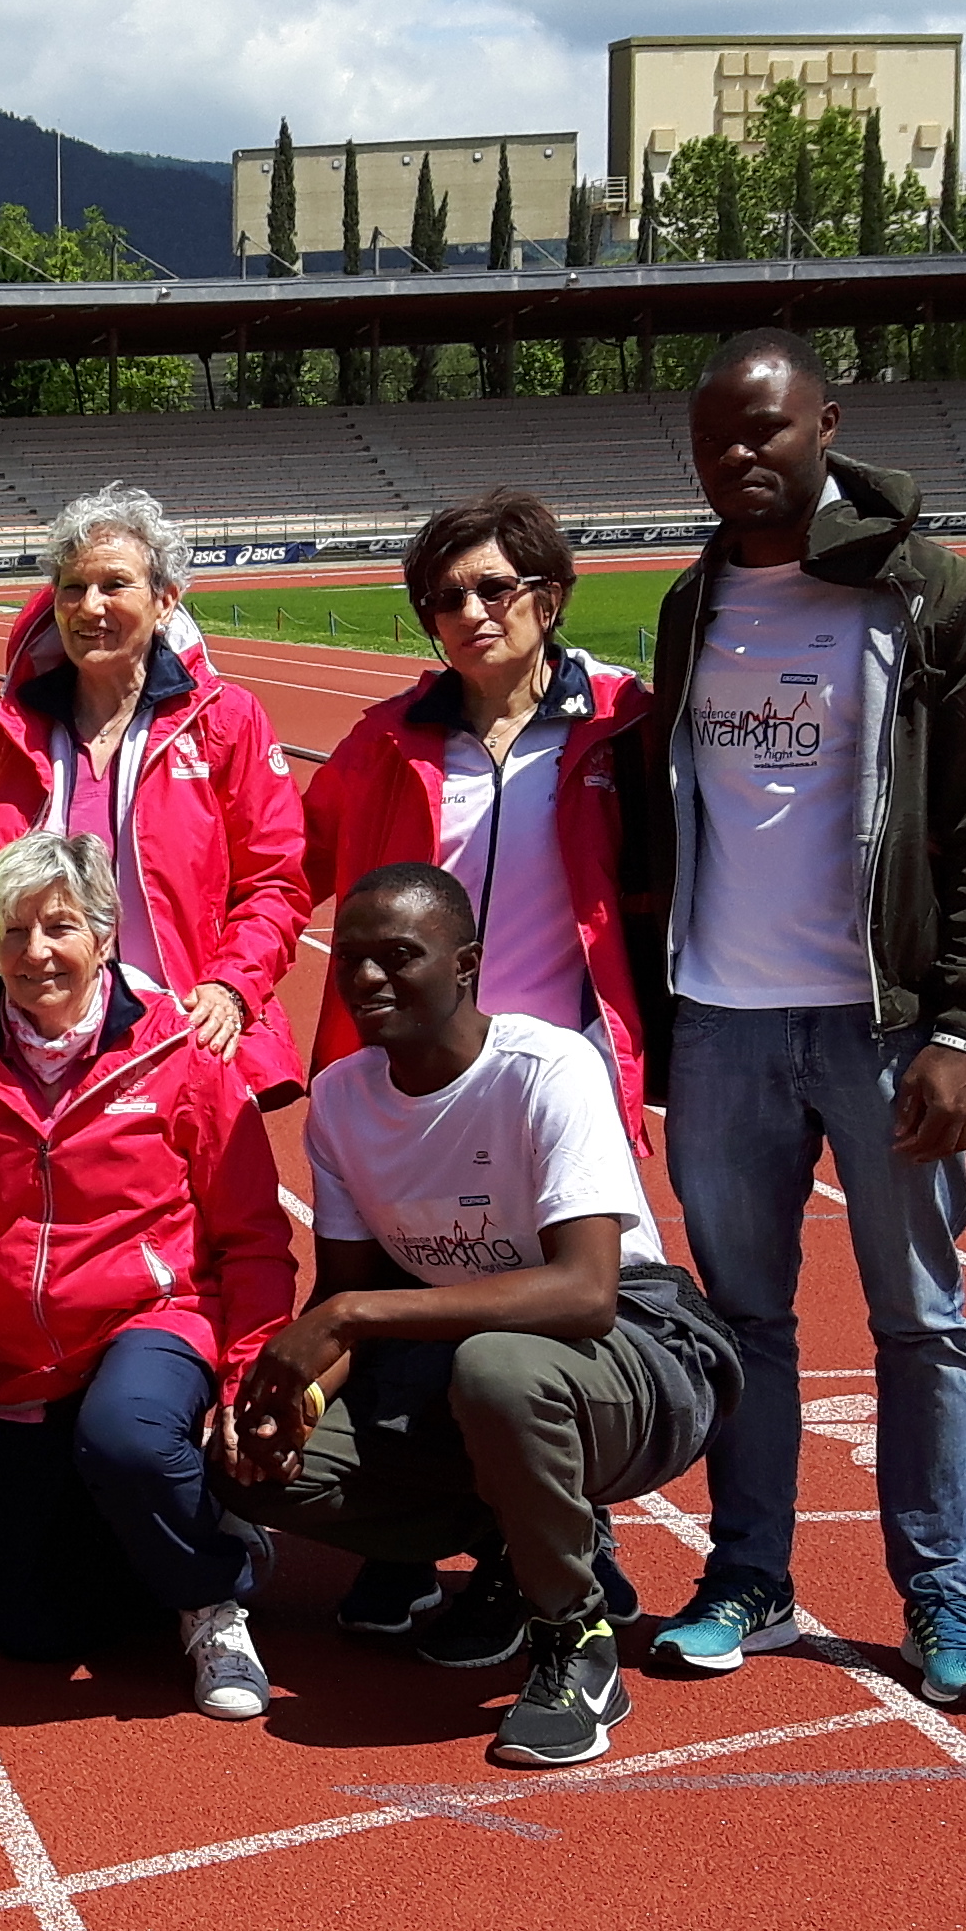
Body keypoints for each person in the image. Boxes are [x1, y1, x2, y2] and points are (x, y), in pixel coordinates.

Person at [620, 327, 966, 1711]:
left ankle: (943, 1593)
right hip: (725, 1024)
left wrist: (965, 1024)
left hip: (880, 1026)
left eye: (768, 430)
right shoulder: (689, 609)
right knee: (743, 1319)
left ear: (827, 427)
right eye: (716, 439)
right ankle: (750, 1576)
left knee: (920, 1319)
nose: (742, 456)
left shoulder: (932, 599)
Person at [213, 868, 739, 1767]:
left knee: (499, 1368)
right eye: (351, 960)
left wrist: (350, 1315)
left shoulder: (548, 1068)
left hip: (641, 1354)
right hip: (460, 1360)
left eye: (399, 958)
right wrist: (289, 1405)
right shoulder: (341, 1100)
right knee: (243, 1469)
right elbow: (343, 1304)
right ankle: (513, 1542)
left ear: (466, 966)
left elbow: (586, 1292)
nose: (369, 979)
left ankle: (577, 1643)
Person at [294, 485, 656, 1643]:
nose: (468, 612)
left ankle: (542, 1557)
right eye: (441, 597)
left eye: (492, 588)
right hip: (414, 1072)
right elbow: (282, 863)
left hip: (554, 1076)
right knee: (416, 1296)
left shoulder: (619, 725)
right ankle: (415, 1534)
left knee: (530, 1329)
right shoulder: (388, 738)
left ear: (545, 595)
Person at [0, 828, 289, 1722]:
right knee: (31, 1630)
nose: (35, 952)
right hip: (15, 1358)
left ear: (105, 936)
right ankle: (176, 1521)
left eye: (60, 927)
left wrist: (248, 1370)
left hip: (152, 1314)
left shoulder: (180, 1050)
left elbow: (250, 1233)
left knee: (126, 1438)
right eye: (13, 931)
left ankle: (215, 1597)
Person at [0, 481, 313, 1106]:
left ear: (165, 601)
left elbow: (277, 881)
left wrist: (231, 988)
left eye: (115, 585)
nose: (90, 606)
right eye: (72, 588)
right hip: (33, 1037)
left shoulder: (226, 721)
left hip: (175, 1031)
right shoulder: (13, 735)